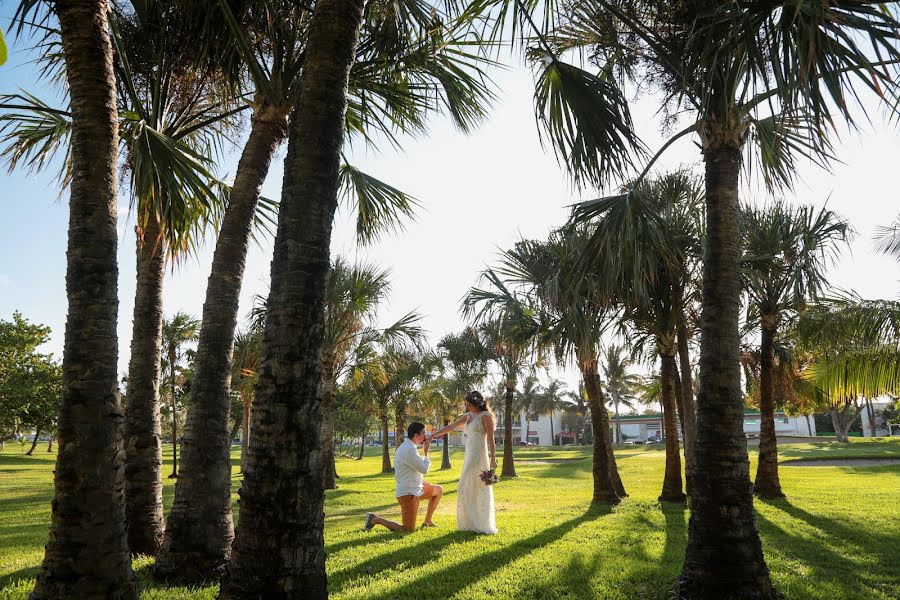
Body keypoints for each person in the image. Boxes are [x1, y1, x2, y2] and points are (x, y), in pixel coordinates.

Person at [431, 390, 498, 534]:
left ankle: (482, 523)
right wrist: (434, 435)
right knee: (467, 486)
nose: (466, 405)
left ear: (474, 403)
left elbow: (491, 438)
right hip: (469, 455)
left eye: (467, 403)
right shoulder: (468, 416)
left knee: (473, 484)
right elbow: (451, 426)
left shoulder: (485, 416)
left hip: (479, 455)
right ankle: (469, 523)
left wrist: (493, 458)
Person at [364, 422, 443, 532]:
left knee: (438, 490)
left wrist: (420, 480)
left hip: (416, 488)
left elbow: (409, 470)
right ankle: (375, 519)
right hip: (408, 493)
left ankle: (427, 522)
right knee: (407, 529)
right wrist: (425, 452)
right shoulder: (409, 450)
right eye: (424, 433)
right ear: (416, 436)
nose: (426, 436)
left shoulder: (409, 447)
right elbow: (424, 469)